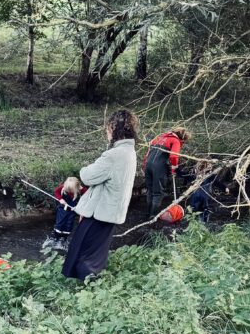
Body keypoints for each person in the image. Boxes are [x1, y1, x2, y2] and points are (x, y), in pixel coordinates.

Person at [62, 110, 139, 281]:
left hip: (100, 213)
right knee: (96, 255)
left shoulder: (113, 155)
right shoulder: (129, 151)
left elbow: (87, 176)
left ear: (114, 128)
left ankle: (87, 291)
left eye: (107, 129)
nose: (106, 132)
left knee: (84, 255)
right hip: (110, 212)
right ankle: (91, 289)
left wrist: (84, 169)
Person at [143, 127, 190, 217]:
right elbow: (173, 156)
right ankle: (153, 217)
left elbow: (147, 154)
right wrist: (174, 168)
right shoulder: (175, 140)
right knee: (158, 193)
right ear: (182, 138)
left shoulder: (159, 137)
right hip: (159, 167)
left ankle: (147, 214)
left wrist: (145, 166)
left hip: (148, 165)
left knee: (150, 191)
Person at [44, 177, 87, 252]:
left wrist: (79, 207)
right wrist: (60, 199)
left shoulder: (82, 190)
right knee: (59, 224)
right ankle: (56, 238)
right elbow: (56, 192)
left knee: (68, 225)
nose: (69, 191)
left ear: (77, 187)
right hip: (62, 209)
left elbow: (87, 199)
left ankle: (64, 239)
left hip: (72, 211)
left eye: (71, 190)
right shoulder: (63, 187)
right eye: (68, 189)